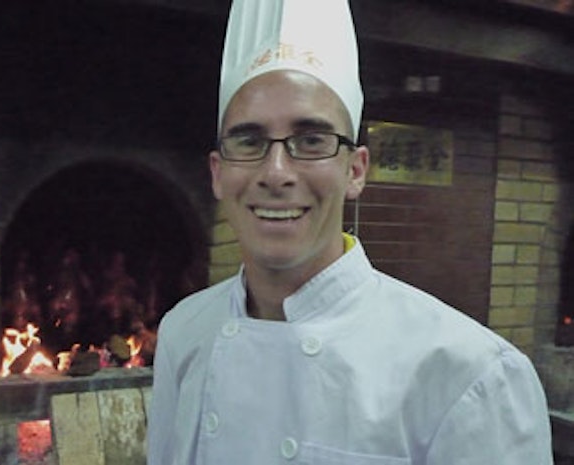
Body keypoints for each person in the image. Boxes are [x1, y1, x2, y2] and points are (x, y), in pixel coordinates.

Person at [146, 0, 553, 463]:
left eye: (311, 140)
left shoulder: (473, 376)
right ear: (218, 174)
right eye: (249, 140)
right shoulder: (184, 331)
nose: (275, 173)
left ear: (355, 170)